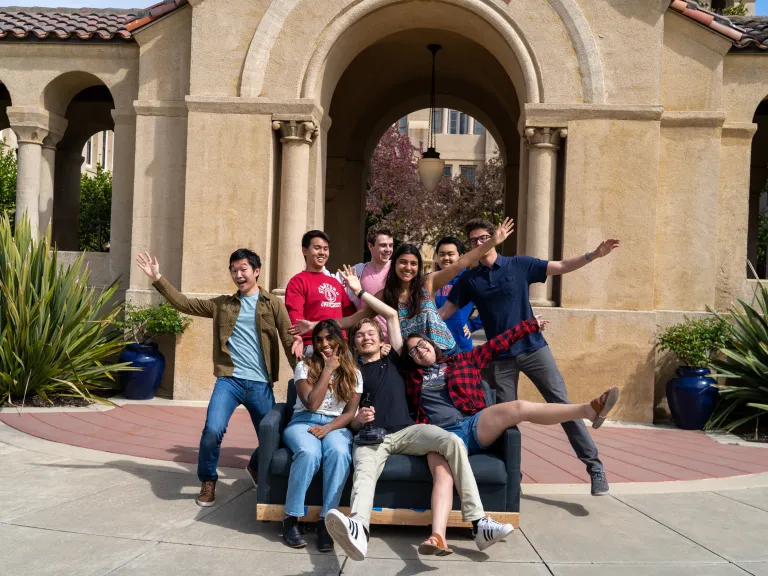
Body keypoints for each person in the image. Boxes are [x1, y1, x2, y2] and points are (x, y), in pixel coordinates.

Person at [323, 265, 515, 561]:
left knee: (451, 441)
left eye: (369, 332)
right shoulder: (352, 371)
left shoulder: (399, 359)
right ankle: (359, 530)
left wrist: (358, 291)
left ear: (380, 337)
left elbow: (388, 314)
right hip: (373, 438)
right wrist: (357, 421)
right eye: (359, 335)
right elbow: (346, 411)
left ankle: (479, 523)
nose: (365, 337)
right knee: (363, 470)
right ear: (355, 343)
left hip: (408, 430)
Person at [439, 217, 620, 495]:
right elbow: (444, 313)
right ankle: (513, 477)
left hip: (534, 349)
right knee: (504, 419)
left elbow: (559, 266)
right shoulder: (470, 279)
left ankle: (594, 466)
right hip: (499, 360)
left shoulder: (519, 265)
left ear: (495, 237)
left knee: (561, 403)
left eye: (482, 238)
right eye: (473, 240)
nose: (478, 243)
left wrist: (593, 255)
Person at [135, 249, 300, 507]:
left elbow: (289, 340)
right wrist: (157, 278)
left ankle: (255, 467)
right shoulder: (222, 305)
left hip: (260, 384)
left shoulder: (273, 304)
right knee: (212, 430)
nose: (239, 274)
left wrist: (303, 375)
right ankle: (208, 480)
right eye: (234, 270)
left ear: (257, 271)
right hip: (229, 380)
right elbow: (184, 304)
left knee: (274, 436)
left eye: (244, 269)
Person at [401, 319, 619, 461]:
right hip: (439, 434)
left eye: (421, 344)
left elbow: (496, 344)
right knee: (441, 465)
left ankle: (588, 410)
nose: (419, 351)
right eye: (412, 352)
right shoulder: (411, 378)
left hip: (472, 425)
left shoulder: (463, 360)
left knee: (519, 407)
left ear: (431, 343)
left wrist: (529, 326)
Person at [307, 219, 513, 356]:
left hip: (445, 353)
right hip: (414, 358)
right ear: (394, 264)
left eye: (413, 263)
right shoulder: (385, 295)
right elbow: (353, 319)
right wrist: (314, 324)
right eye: (403, 262)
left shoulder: (428, 282)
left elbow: (461, 262)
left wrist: (492, 242)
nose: (408, 268)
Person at [282, 320, 362, 552]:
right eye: (319, 340)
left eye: (329, 338)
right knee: (308, 453)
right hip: (303, 421)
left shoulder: (354, 373)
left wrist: (328, 429)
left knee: (338, 453)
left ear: (340, 339)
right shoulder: (304, 367)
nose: (324, 344)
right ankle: (290, 519)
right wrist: (327, 369)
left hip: (336, 426)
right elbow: (312, 404)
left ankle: (326, 522)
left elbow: (349, 413)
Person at [285, 230, 356, 356]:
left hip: (340, 346)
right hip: (314, 346)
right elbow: (295, 314)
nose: (322, 252)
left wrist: (358, 291)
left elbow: (350, 314)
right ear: (305, 251)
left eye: (325, 249)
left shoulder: (335, 283)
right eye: (317, 248)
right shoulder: (298, 281)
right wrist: (298, 337)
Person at [340, 227, 394, 341]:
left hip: (393, 340)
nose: (388, 249)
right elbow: (330, 282)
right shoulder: (357, 271)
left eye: (391, 245)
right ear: (370, 246)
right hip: (366, 339)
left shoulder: (397, 270)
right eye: (383, 245)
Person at [432, 236, 483, 353]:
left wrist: (472, 325)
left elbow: (490, 307)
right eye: (441, 254)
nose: (446, 258)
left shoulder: (470, 279)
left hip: (461, 346)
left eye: (450, 254)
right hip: (433, 346)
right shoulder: (430, 280)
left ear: (460, 256)